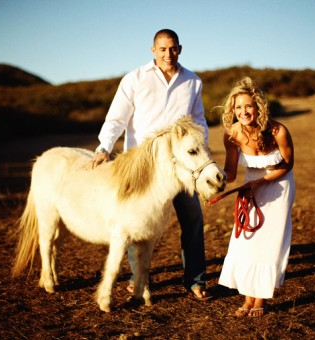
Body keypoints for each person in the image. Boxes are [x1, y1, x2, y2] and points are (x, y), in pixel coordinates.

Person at [88, 29, 212, 300]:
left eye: (173, 49)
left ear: (180, 48)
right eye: (163, 49)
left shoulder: (192, 82)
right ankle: (137, 278)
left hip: (180, 167)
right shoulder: (134, 79)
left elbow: (199, 120)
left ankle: (195, 280)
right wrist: (103, 148)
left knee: (192, 219)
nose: (168, 54)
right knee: (136, 223)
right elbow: (116, 119)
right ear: (153, 50)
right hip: (142, 165)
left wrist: (202, 147)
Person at [217, 77, 295, 317]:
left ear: (258, 107)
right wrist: (214, 178)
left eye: (248, 106)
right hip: (250, 186)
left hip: (277, 185)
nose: (243, 112)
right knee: (246, 241)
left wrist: (261, 182)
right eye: (238, 107)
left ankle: (259, 300)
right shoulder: (232, 135)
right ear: (233, 109)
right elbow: (230, 174)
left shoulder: (278, 131)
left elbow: (288, 165)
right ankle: (247, 299)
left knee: (268, 243)